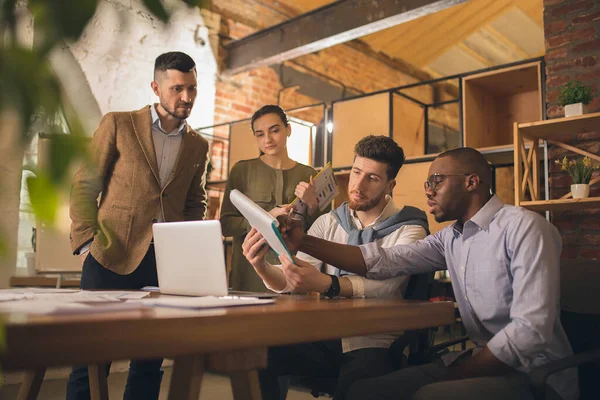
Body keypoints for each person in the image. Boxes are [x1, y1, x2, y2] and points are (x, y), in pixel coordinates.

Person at [278, 147, 577, 400]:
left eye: (437, 180)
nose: (428, 190)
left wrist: (456, 375)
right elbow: (381, 260)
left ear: (472, 182)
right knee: (365, 392)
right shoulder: (450, 238)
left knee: (430, 395)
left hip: (537, 374)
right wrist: (302, 240)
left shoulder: (525, 228)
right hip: (480, 357)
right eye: (427, 182)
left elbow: (530, 332)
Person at [242, 135, 430, 400]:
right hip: (324, 334)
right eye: (356, 172)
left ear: (391, 185)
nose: (358, 185)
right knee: (257, 353)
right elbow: (294, 278)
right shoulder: (329, 222)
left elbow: (387, 286)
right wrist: (260, 265)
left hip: (375, 341)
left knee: (356, 388)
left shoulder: (410, 228)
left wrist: (324, 284)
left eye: (372, 178)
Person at [68, 51, 209, 400]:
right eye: (177, 89)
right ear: (156, 87)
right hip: (109, 255)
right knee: (90, 359)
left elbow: (195, 202)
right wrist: (87, 244)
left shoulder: (198, 145)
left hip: (164, 264)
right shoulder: (119, 123)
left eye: (192, 88)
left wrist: (187, 251)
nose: (186, 97)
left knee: (149, 360)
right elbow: (86, 184)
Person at [220, 104, 326, 292]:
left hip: (294, 274)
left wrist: (311, 205)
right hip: (249, 275)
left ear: (288, 129)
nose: (267, 139)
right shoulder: (242, 171)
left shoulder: (308, 174)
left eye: (274, 130)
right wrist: (265, 218)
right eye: (260, 134)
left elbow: (324, 233)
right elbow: (226, 224)